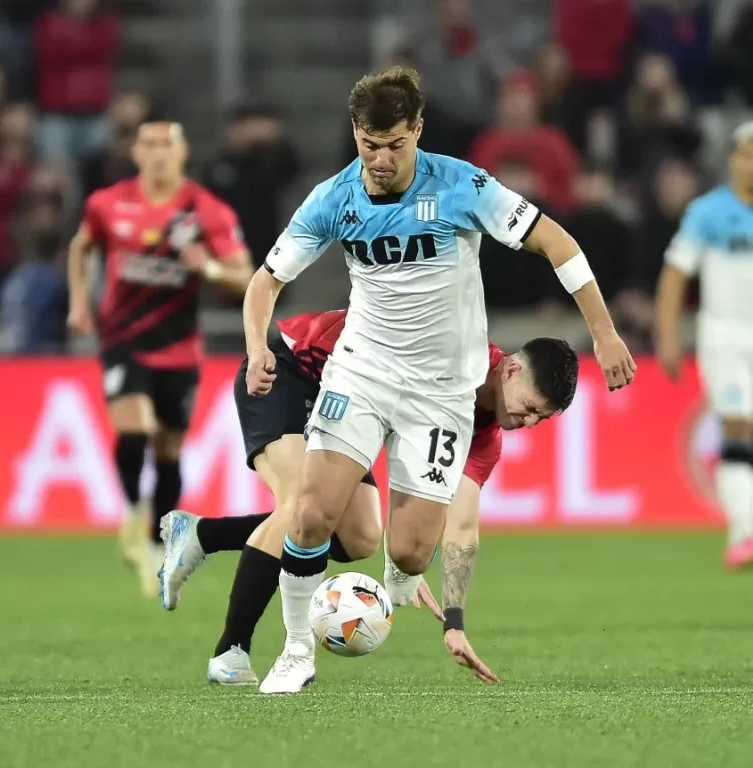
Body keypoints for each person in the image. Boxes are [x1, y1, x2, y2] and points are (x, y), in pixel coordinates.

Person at [243, 66, 634, 695]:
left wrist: (605, 332)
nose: (381, 158)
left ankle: (391, 591)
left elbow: (556, 242)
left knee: (409, 552)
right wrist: (254, 345)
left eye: (395, 144)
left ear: (417, 131)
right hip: (363, 370)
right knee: (313, 511)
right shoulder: (334, 197)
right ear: (356, 135)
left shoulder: (461, 185)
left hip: (442, 394)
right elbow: (266, 280)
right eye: (370, 144)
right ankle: (294, 651)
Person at [158, 309, 579, 686]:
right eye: (530, 406)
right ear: (510, 371)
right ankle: (231, 650)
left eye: (541, 416)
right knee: (297, 506)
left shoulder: (484, 436)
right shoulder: (453, 352)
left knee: (359, 537)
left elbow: (463, 526)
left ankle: (201, 534)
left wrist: (453, 622)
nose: (529, 422)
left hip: (350, 402)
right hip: (292, 370)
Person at [66, 116, 253, 596]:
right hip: (122, 339)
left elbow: (245, 275)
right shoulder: (108, 204)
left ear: (182, 152)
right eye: (148, 144)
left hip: (179, 347)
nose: (158, 153)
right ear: (136, 152)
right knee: (134, 432)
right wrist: (80, 304)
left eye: (167, 144)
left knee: (168, 451)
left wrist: (207, 266)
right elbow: (81, 245)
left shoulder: (205, 210)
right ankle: (131, 513)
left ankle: (153, 541)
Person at [655, 121, 753, 569]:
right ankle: (744, 533)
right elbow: (676, 273)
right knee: (737, 425)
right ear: (732, 159)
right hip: (726, 335)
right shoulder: (708, 213)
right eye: (744, 154)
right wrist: (669, 336)